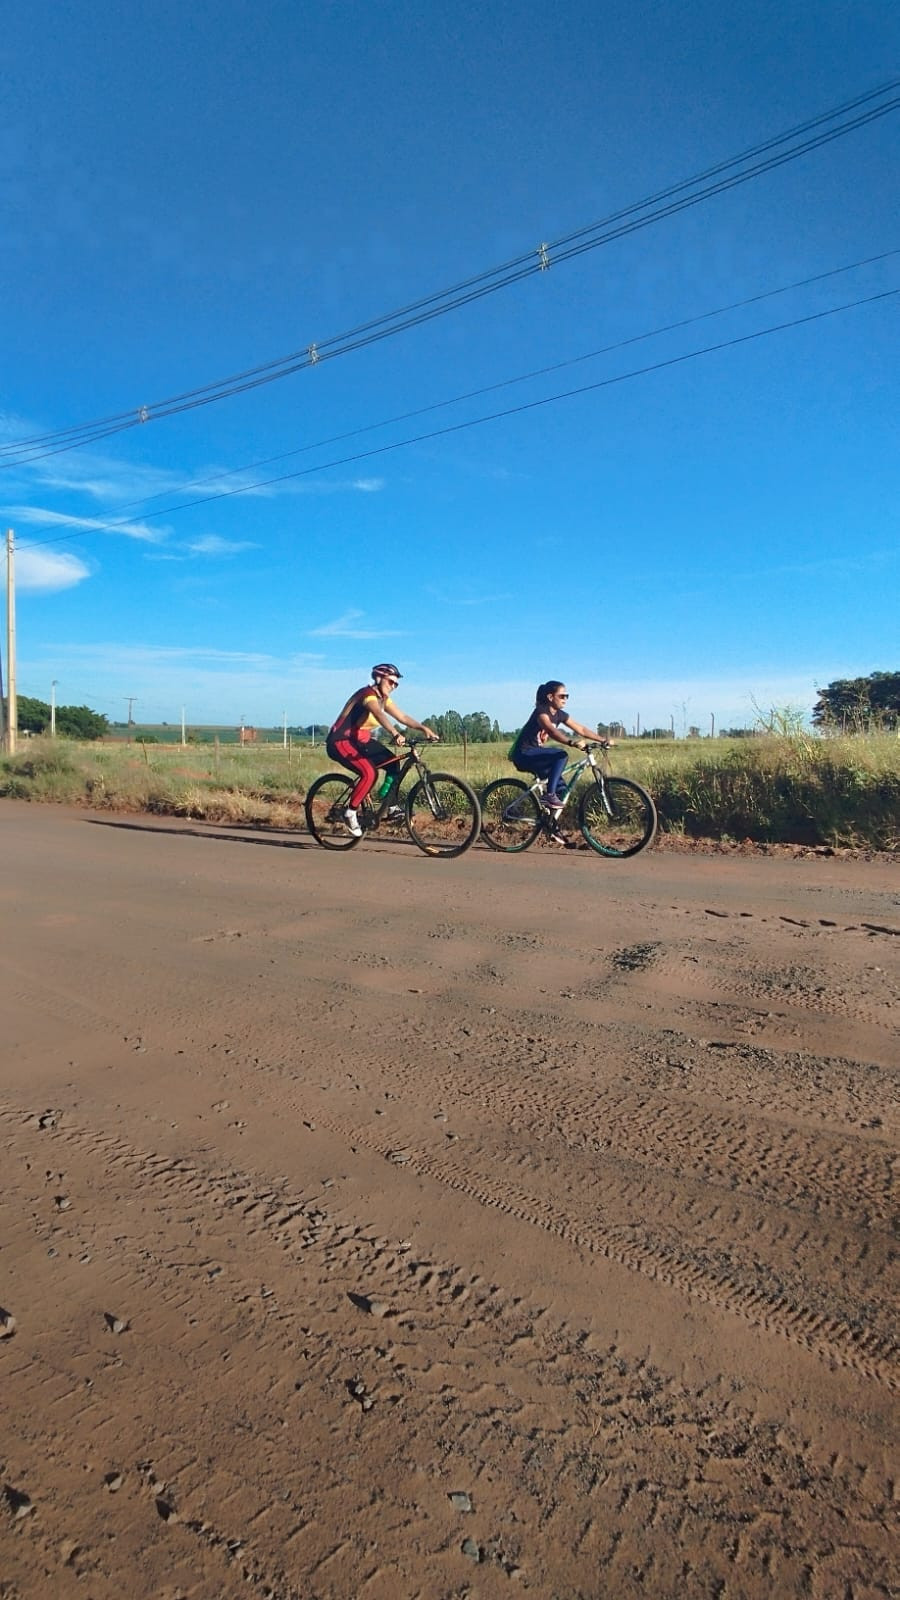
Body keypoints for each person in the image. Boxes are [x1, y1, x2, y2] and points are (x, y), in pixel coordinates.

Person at [327, 663, 438, 837]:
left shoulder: (383, 698)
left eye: (396, 684)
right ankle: (350, 812)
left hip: (360, 740)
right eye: (391, 682)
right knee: (370, 773)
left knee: (394, 764)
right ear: (379, 679)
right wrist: (394, 733)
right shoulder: (368, 695)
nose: (393, 686)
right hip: (341, 741)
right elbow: (379, 714)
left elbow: (402, 717)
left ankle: (390, 806)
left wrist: (424, 728)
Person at [509, 681, 608, 840]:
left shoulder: (560, 714)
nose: (565, 699)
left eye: (567, 696)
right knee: (561, 755)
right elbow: (551, 730)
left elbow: (581, 729)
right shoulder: (541, 712)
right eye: (562, 696)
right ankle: (549, 795)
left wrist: (603, 740)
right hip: (524, 754)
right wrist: (571, 742)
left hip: (537, 755)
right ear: (550, 697)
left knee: (563, 791)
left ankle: (551, 825)